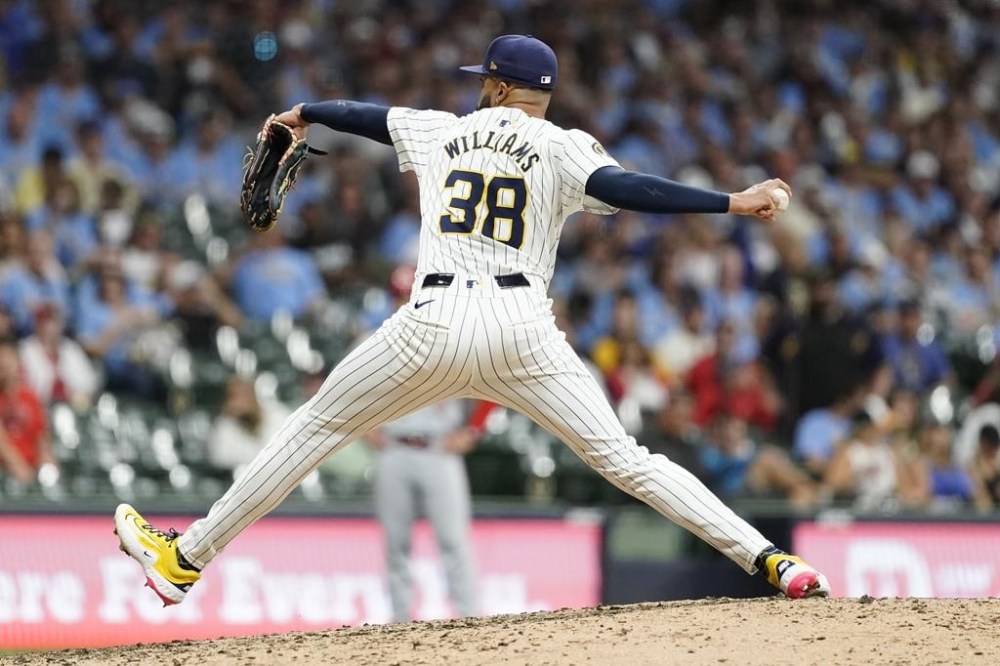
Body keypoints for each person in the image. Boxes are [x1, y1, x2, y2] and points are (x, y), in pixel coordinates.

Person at [114, 34, 830, 608]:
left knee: (317, 428)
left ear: (494, 85)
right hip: (524, 330)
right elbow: (628, 189)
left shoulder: (439, 130)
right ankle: (771, 561)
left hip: (434, 320)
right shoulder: (562, 143)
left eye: (482, 78)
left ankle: (185, 560)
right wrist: (732, 202)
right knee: (629, 463)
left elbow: (359, 112)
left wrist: (303, 110)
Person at [369, 400, 480, 622]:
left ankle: (470, 619)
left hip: (440, 447)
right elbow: (356, 385)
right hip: (394, 446)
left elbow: (490, 387)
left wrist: (474, 429)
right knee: (395, 543)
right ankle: (398, 621)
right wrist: (363, 427)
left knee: (453, 540)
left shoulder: (458, 362)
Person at [208, 377, 292, 477]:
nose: (238, 401)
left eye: (243, 394)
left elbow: (282, 454)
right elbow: (219, 459)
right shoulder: (225, 424)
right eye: (233, 396)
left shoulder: (277, 415)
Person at [0, 337, 53, 485]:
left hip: (31, 469)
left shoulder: (30, 398)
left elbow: (42, 437)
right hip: (6, 473)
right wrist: (18, 467)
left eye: (7, 358)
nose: (3, 363)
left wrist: (46, 466)